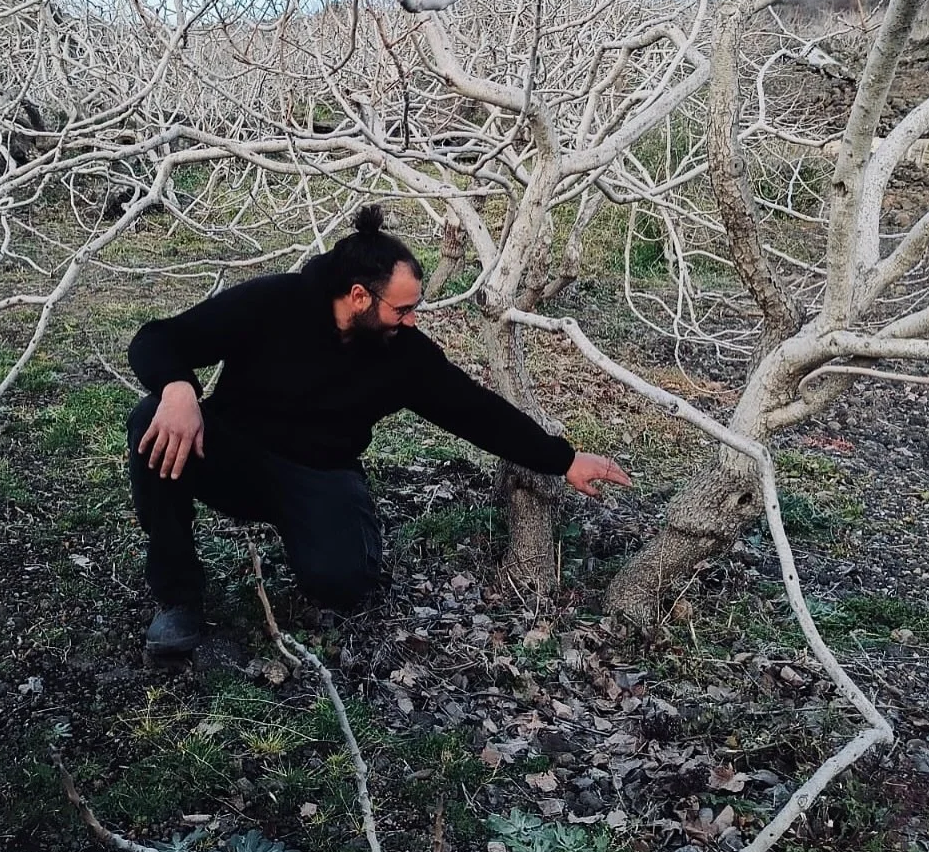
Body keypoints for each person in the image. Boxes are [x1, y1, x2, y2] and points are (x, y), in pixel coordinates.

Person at [126, 205, 631, 652]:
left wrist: (563, 460)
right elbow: (156, 339)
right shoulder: (272, 302)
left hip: (321, 474)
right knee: (151, 419)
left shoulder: (402, 354)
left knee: (343, 584)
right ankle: (178, 597)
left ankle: (336, 535)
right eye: (403, 309)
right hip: (237, 457)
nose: (411, 321)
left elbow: (476, 411)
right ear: (358, 296)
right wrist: (178, 388)